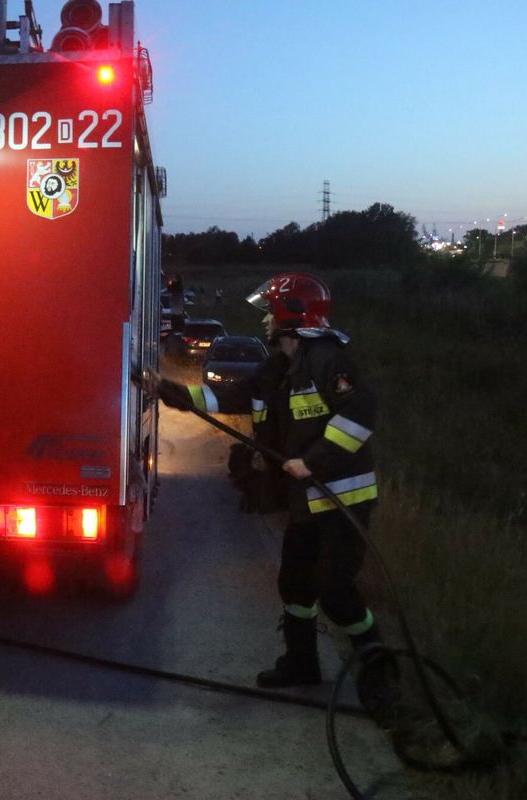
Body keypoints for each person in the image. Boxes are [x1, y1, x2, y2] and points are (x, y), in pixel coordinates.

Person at [158, 272, 393, 712]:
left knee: (336, 592)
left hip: (342, 499)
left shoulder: (328, 359)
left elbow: (361, 414)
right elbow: (234, 395)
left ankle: (382, 681)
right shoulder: (278, 366)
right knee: (295, 585)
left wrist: (312, 462)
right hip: (304, 501)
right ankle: (302, 664)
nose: (265, 319)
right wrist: (172, 392)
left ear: (292, 315)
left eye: (271, 311)